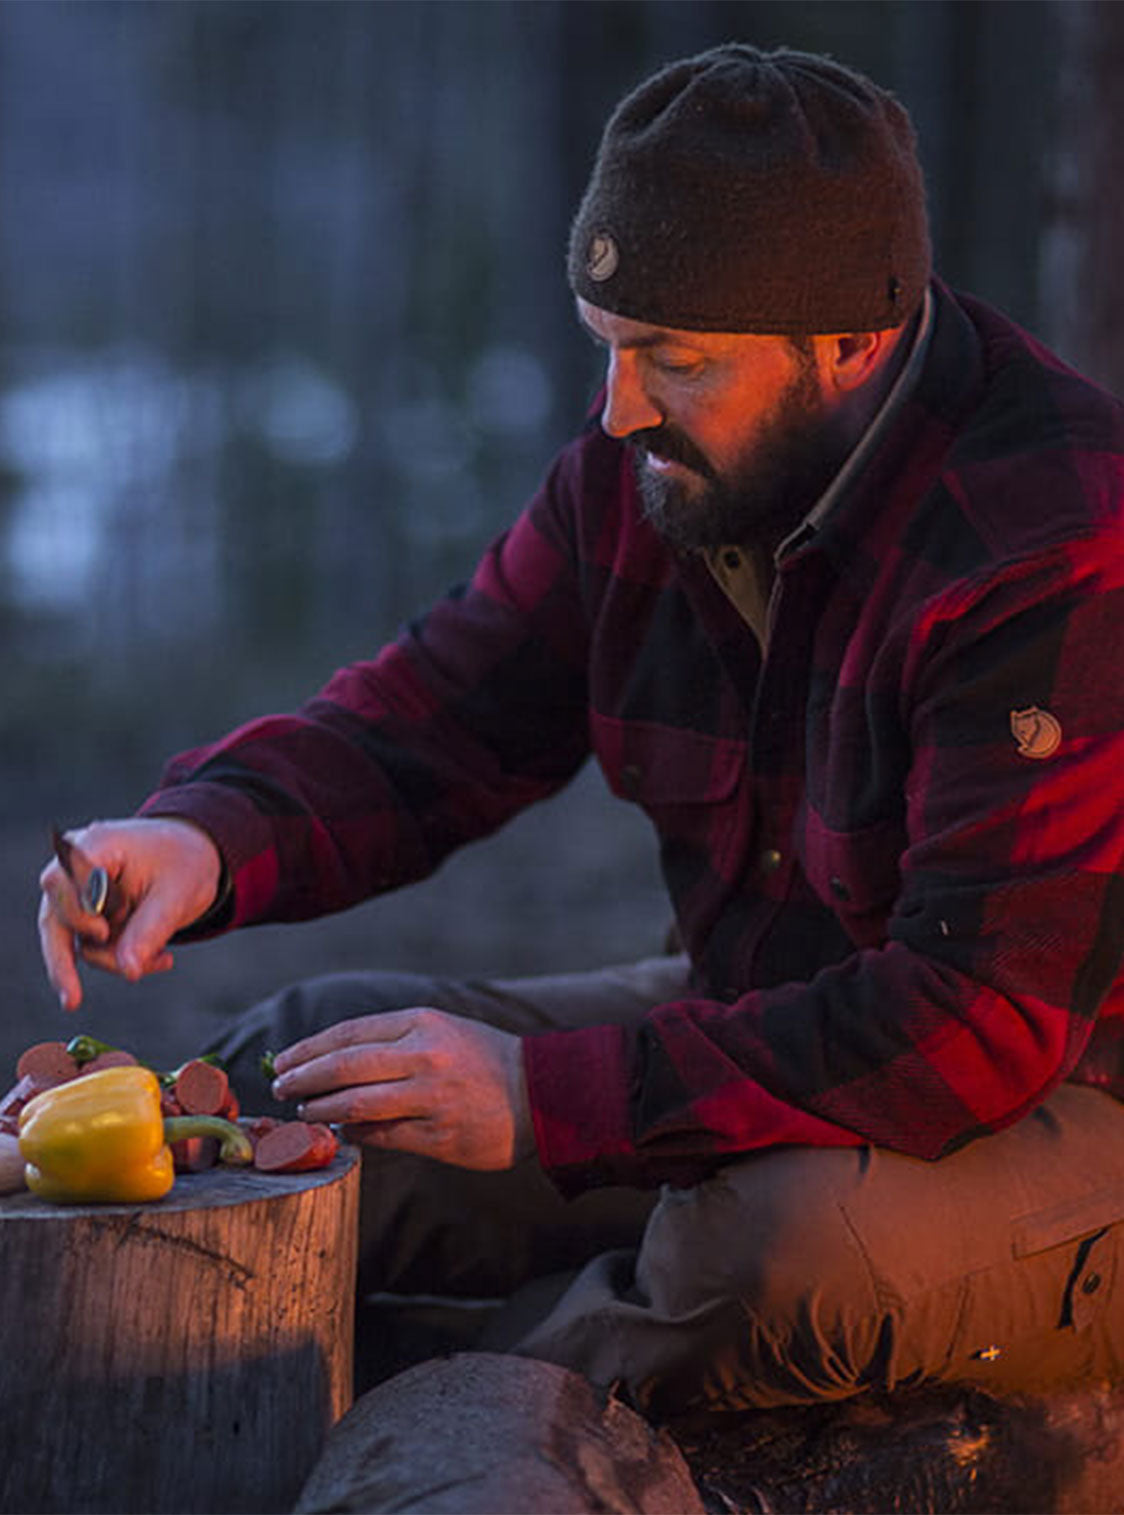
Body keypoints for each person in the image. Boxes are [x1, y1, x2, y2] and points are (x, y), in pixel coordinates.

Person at [37, 43, 1124, 1418]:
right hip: (762, 1021)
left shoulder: (1049, 537)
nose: (615, 414)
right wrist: (206, 831)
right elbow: (440, 715)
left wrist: (549, 1097)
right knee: (311, 1065)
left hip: (1063, 1104)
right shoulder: (654, 472)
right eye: (607, 349)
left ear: (850, 340)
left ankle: (422, 1427)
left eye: (673, 361)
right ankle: (153, 1388)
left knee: (772, 1254)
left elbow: (973, 1022)